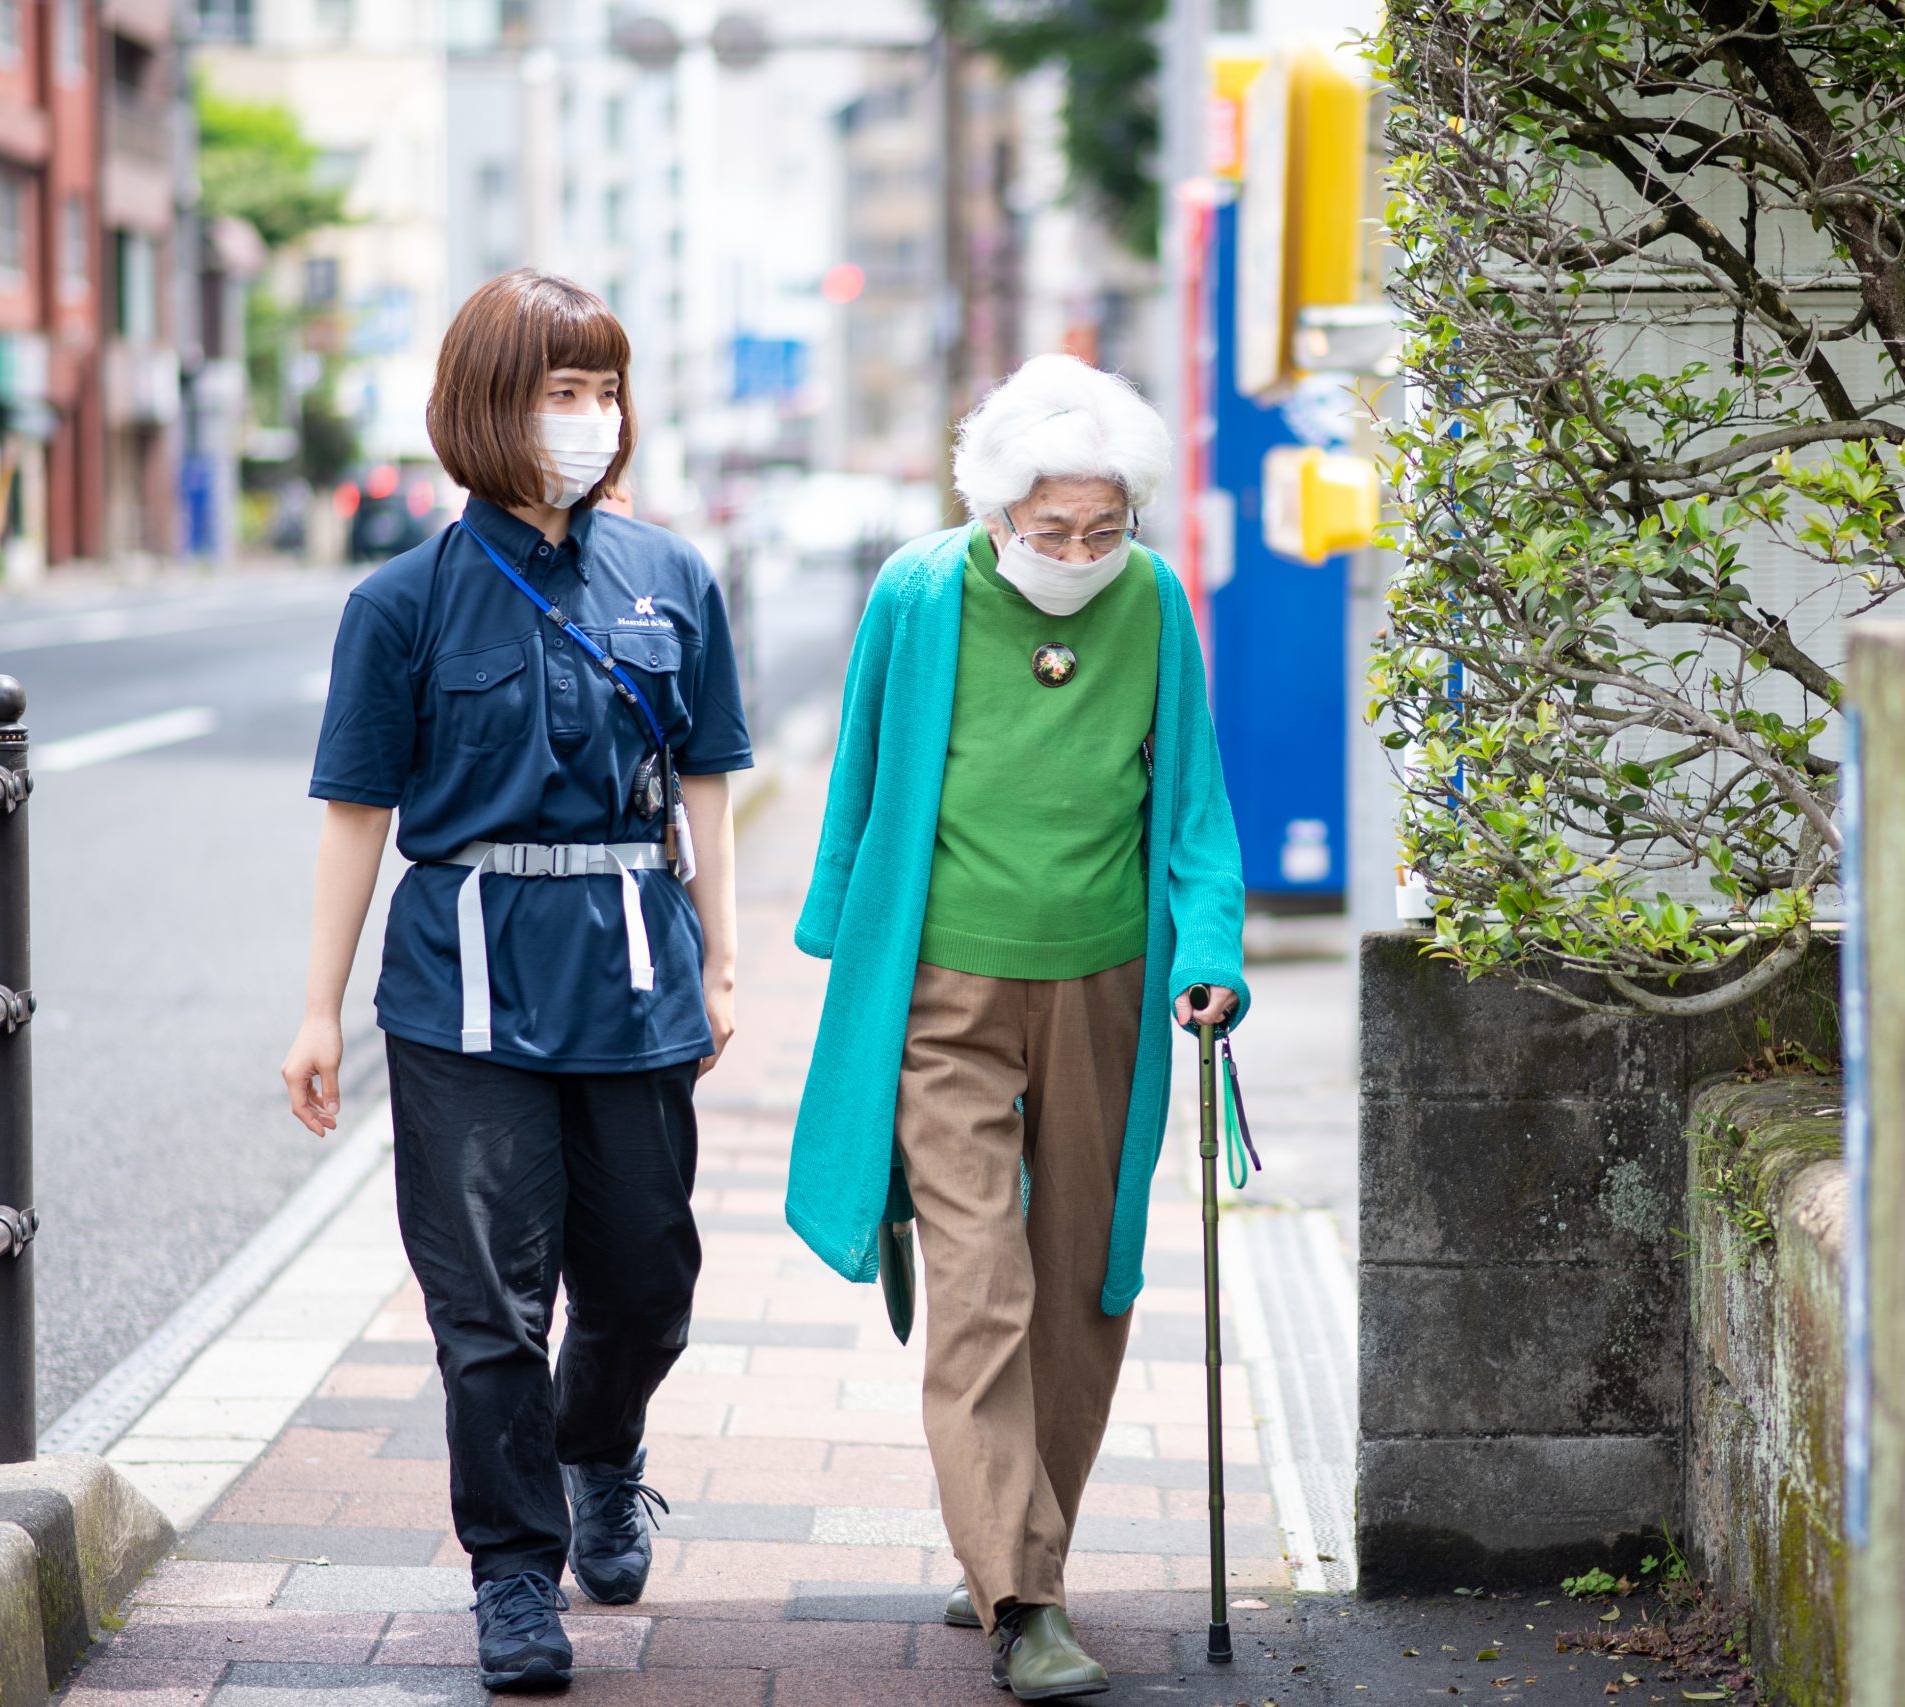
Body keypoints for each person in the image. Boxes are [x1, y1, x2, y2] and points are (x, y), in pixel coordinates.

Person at [279, 270, 751, 1694]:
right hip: (461, 983)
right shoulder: (401, 602)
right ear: (486, 406)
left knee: (648, 1276)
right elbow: (358, 810)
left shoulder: (673, 578)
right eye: (559, 391)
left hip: (628, 962)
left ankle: (601, 1449)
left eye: (603, 389)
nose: (588, 418)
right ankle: (512, 1576)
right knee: (485, 1302)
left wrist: (721, 960)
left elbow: (712, 783)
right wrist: (317, 1005)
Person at [786, 354, 1248, 1701]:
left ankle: (1007, 1538)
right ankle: (1025, 1598)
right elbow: (863, 771)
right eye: (1054, 532)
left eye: (1106, 531)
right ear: (998, 512)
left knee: (1078, 1289)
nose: (1081, 556)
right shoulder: (920, 596)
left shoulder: (1156, 606)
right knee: (982, 1280)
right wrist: (834, 938)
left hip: (1104, 982)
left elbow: (1199, 810)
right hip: (944, 992)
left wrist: (1209, 953)